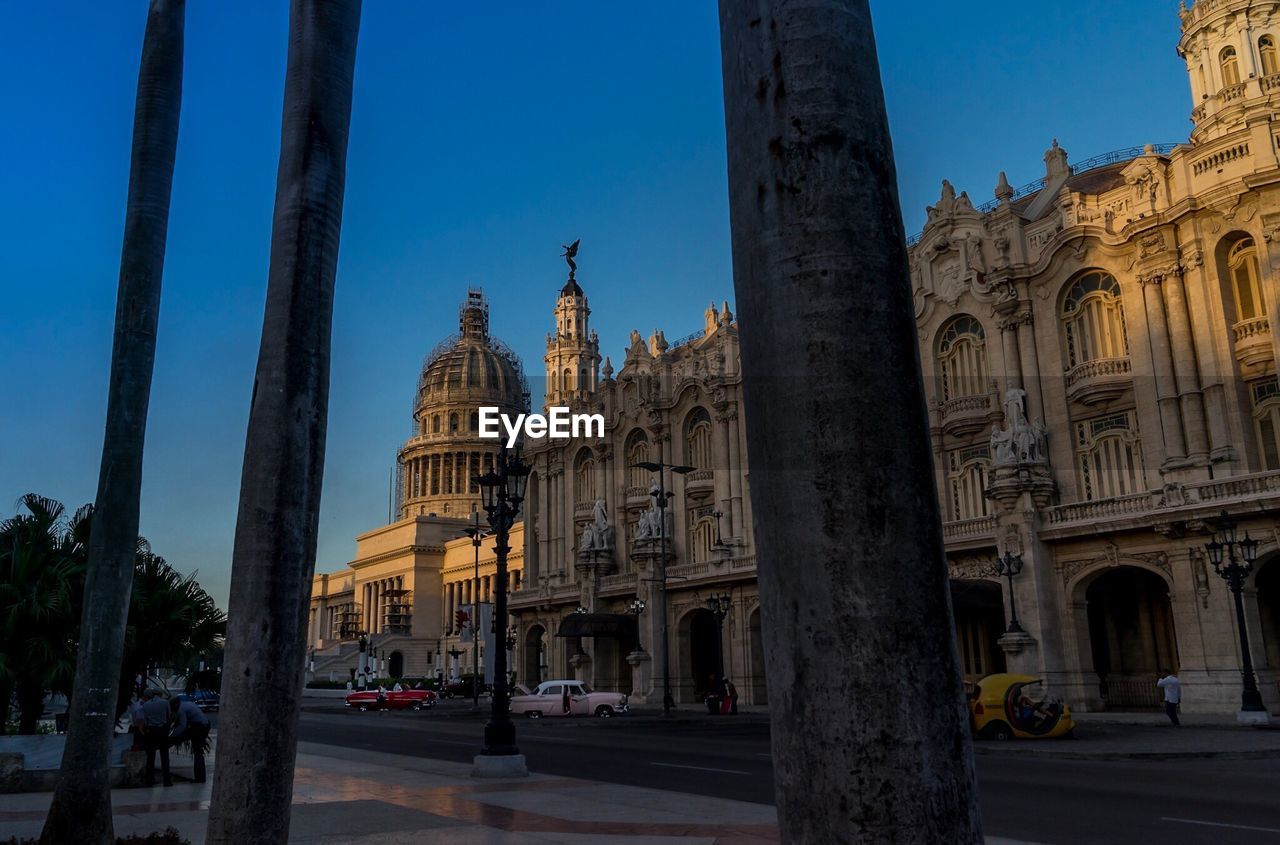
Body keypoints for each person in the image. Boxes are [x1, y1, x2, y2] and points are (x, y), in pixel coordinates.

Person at [170, 696, 211, 783]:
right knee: (198, 751)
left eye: (172, 707)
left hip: (199, 727)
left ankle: (199, 778)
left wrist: (172, 736)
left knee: (197, 752)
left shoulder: (181, 710)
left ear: (176, 704)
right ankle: (201, 777)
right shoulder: (187, 704)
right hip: (205, 724)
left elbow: (182, 725)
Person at [139, 689, 172, 787]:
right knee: (164, 756)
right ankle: (167, 780)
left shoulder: (145, 705)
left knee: (150, 757)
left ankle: (149, 780)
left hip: (151, 731)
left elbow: (144, 720)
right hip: (162, 731)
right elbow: (169, 716)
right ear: (161, 694)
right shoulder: (165, 702)